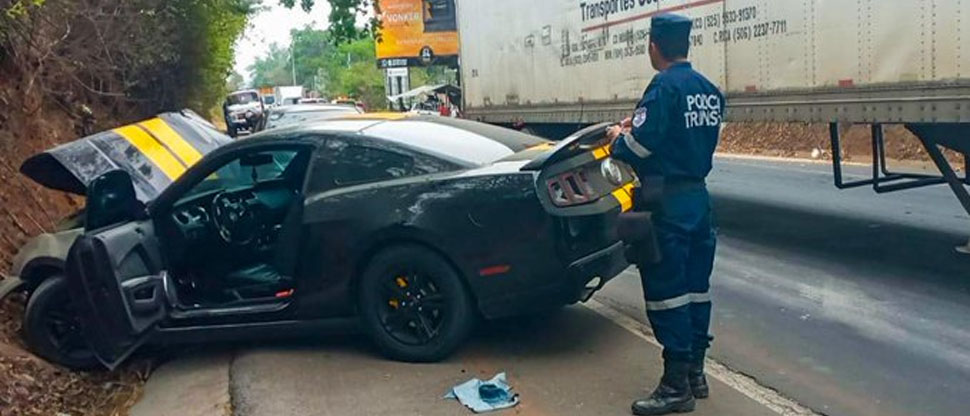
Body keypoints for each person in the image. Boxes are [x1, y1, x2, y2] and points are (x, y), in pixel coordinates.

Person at [606, 13, 724, 416]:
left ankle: (675, 387)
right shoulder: (709, 90)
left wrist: (620, 137)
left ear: (653, 46)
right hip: (698, 200)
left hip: (667, 203)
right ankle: (695, 374)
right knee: (696, 288)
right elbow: (683, 137)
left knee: (667, 294)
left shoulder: (662, 87)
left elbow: (637, 149)